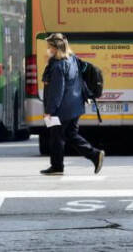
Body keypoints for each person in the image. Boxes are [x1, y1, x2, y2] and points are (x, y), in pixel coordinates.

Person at [40, 33, 105, 176]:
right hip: (75, 105)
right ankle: (94, 155)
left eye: (49, 46)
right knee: (70, 134)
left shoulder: (58, 66)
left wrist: (50, 110)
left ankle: (57, 166)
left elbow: (57, 91)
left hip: (63, 108)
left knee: (56, 137)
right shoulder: (73, 60)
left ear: (55, 48)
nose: (47, 49)